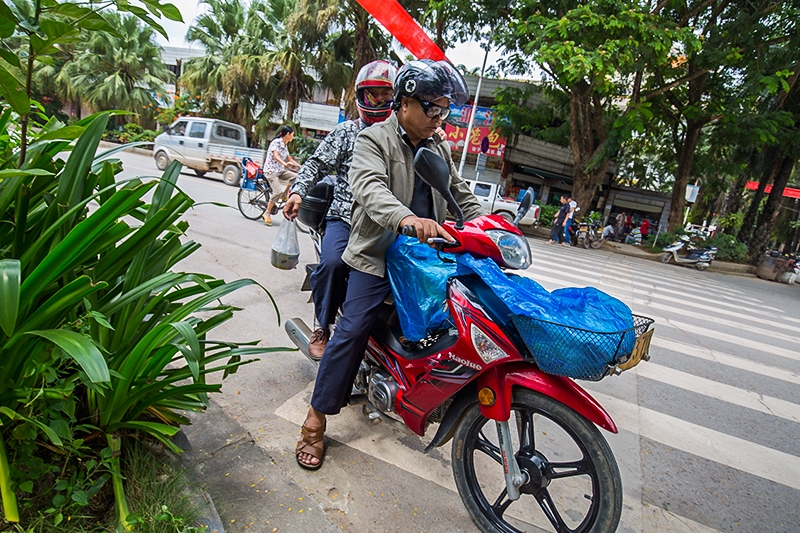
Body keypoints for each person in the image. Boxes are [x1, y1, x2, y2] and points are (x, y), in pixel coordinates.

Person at [294, 59, 484, 470]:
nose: (438, 117)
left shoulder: (439, 147)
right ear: (404, 102)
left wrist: (491, 226)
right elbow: (369, 187)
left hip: (425, 259)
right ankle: (315, 419)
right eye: (431, 107)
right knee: (353, 327)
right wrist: (405, 219)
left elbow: (460, 194)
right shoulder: (373, 139)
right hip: (377, 254)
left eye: (443, 109)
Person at [283, 60, 397, 360]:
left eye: (386, 95)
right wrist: (297, 192)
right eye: (373, 95)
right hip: (345, 218)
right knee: (332, 263)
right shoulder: (347, 133)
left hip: (388, 225)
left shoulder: (401, 138)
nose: (379, 102)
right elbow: (317, 164)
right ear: (361, 97)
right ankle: (322, 325)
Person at [263, 125, 301, 226]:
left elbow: (290, 159)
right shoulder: (276, 143)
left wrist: (300, 166)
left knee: (296, 177)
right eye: (292, 134)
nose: (293, 136)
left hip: (280, 171)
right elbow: (275, 156)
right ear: (287, 134)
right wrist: (284, 164)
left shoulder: (285, 145)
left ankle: (285, 194)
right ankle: (267, 212)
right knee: (277, 192)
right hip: (271, 172)